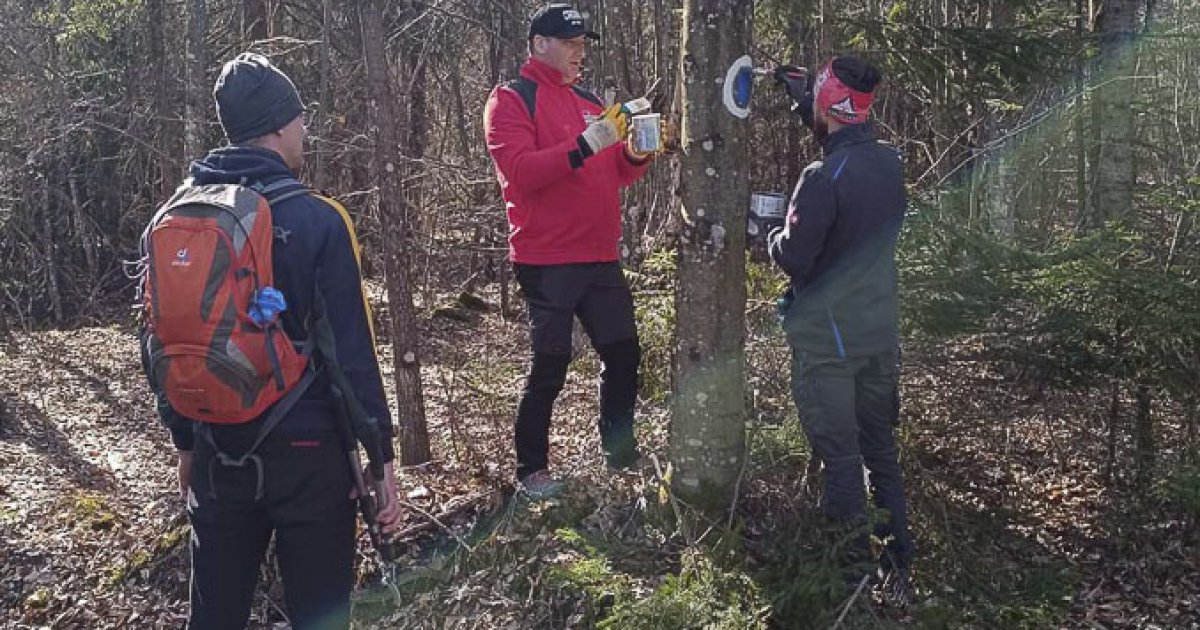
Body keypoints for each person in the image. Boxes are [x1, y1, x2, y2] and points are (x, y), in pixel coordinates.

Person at [140, 53, 401, 629]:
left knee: (214, 616)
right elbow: (351, 354)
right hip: (308, 456)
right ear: (280, 125)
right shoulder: (319, 220)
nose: (305, 131)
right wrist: (381, 462)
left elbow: (159, 339)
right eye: (300, 120)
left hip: (214, 447)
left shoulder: (172, 216)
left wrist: (186, 442)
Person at [483, 3, 659, 498]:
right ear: (540, 44)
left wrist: (635, 153)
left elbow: (615, 173)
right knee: (551, 363)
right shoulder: (512, 99)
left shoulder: (587, 99)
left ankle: (619, 454)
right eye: (571, 44)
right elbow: (521, 172)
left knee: (623, 354)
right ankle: (531, 470)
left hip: (600, 255)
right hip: (546, 258)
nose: (580, 53)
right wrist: (587, 142)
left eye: (584, 44)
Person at [769, 56, 914, 600]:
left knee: (844, 459)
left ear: (830, 106)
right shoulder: (888, 164)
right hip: (878, 337)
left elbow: (796, 257)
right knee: (880, 450)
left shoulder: (820, 178)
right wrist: (803, 99)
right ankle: (898, 566)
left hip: (830, 346)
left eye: (817, 101)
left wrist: (768, 233)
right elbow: (837, 135)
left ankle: (852, 581)